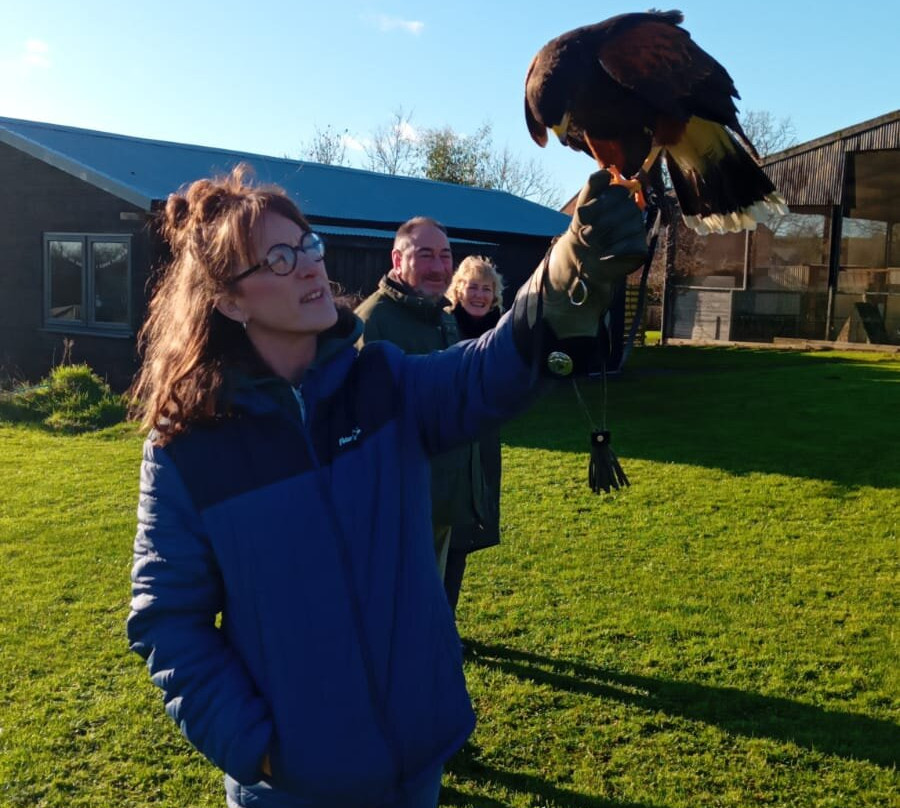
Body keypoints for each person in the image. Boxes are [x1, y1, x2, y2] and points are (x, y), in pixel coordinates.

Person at [126, 163, 647, 808]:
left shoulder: (381, 384)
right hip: (293, 788)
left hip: (416, 762)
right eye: (281, 259)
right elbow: (168, 621)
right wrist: (259, 748)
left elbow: (484, 373)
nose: (313, 265)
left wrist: (569, 269)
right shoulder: (190, 446)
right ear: (229, 300)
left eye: (308, 245)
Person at [354, 217, 474, 579]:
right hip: (397, 506)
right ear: (397, 261)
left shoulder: (443, 317)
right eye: (425, 256)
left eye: (445, 255)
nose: (438, 268)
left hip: (442, 497)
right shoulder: (372, 323)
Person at [443, 256, 506, 613]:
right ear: (459, 289)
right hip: (448, 437)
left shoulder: (503, 332)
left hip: (482, 441)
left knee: (463, 533)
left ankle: (446, 620)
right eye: (473, 286)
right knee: (441, 533)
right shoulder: (444, 324)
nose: (480, 295)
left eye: (487, 288)